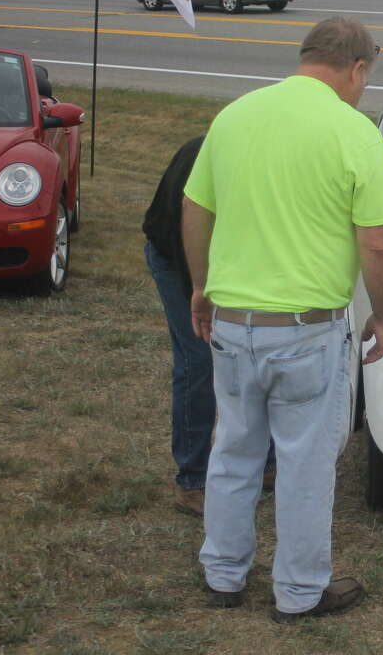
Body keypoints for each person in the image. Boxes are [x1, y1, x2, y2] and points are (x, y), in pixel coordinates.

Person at [182, 16, 383, 623]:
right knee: (305, 463)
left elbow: (196, 207)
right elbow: (380, 245)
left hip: (232, 322)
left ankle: (224, 574)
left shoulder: (235, 116)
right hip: (307, 330)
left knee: (232, 450)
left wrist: (202, 286)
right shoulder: (353, 132)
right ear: (357, 69)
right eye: (366, 78)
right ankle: (300, 591)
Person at [142, 137, 276, 518]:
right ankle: (192, 480)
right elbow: (190, 250)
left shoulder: (279, 168)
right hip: (177, 255)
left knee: (260, 349)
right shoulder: (213, 163)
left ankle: (266, 464)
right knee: (199, 359)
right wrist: (201, 299)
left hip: (231, 258)